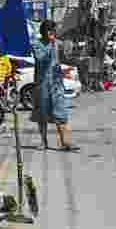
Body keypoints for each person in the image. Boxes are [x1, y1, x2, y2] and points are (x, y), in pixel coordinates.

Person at [31, 19, 79, 152]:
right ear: (44, 31)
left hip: (57, 84)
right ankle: (43, 141)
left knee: (61, 112)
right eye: (50, 30)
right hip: (42, 84)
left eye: (54, 31)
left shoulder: (58, 44)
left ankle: (65, 141)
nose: (52, 33)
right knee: (42, 114)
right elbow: (41, 58)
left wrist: (71, 55)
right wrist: (51, 45)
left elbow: (65, 58)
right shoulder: (37, 44)